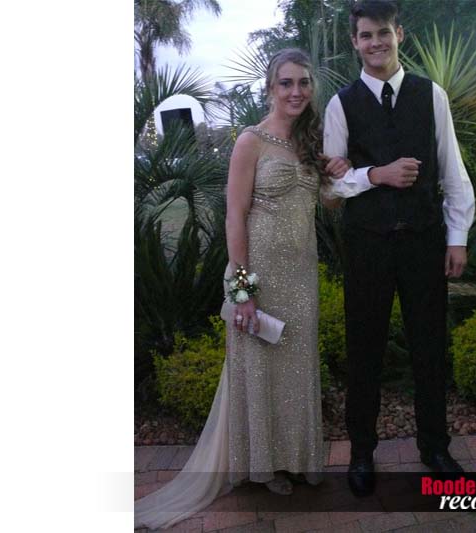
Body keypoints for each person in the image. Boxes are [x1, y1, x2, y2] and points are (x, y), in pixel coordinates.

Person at [135, 48, 342, 530]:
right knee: (260, 367)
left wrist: (336, 174)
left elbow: (329, 205)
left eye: (304, 83)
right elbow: (234, 216)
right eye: (286, 83)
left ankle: (297, 457)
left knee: (296, 365)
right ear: (270, 88)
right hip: (261, 274)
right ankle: (264, 466)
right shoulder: (250, 141)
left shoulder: (311, 142)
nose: (296, 91)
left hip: (302, 274)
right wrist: (243, 290)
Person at [322, 0, 476, 497]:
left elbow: (452, 169)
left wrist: (457, 237)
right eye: (366, 35)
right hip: (367, 245)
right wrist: (376, 175)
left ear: (399, 35)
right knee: (363, 349)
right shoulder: (341, 104)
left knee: (430, 347)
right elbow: (333, 183)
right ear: (355, 42)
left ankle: (435, 446)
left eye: (383, 33)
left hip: (423, 241)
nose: (376, 43)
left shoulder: (431, 95)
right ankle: (361, 452)